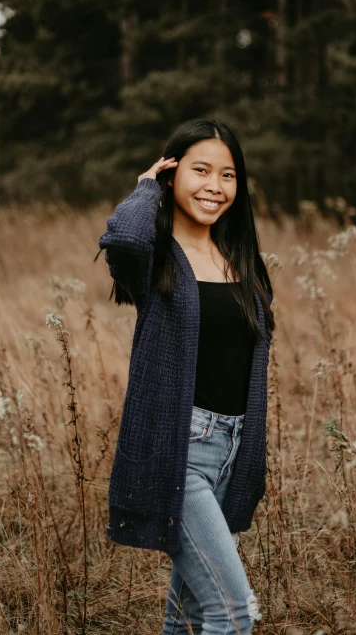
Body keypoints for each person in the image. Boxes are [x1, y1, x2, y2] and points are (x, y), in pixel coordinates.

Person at [97, 118, 275, 634]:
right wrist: (144, 188)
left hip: (233, 452)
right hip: (182, 450)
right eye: (200, 170)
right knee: (233, 611)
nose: (215, 187)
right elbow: (123, 240)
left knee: (190, 614)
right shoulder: (156, 260)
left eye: (228, 174)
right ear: (173, 174)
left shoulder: (238, 258)